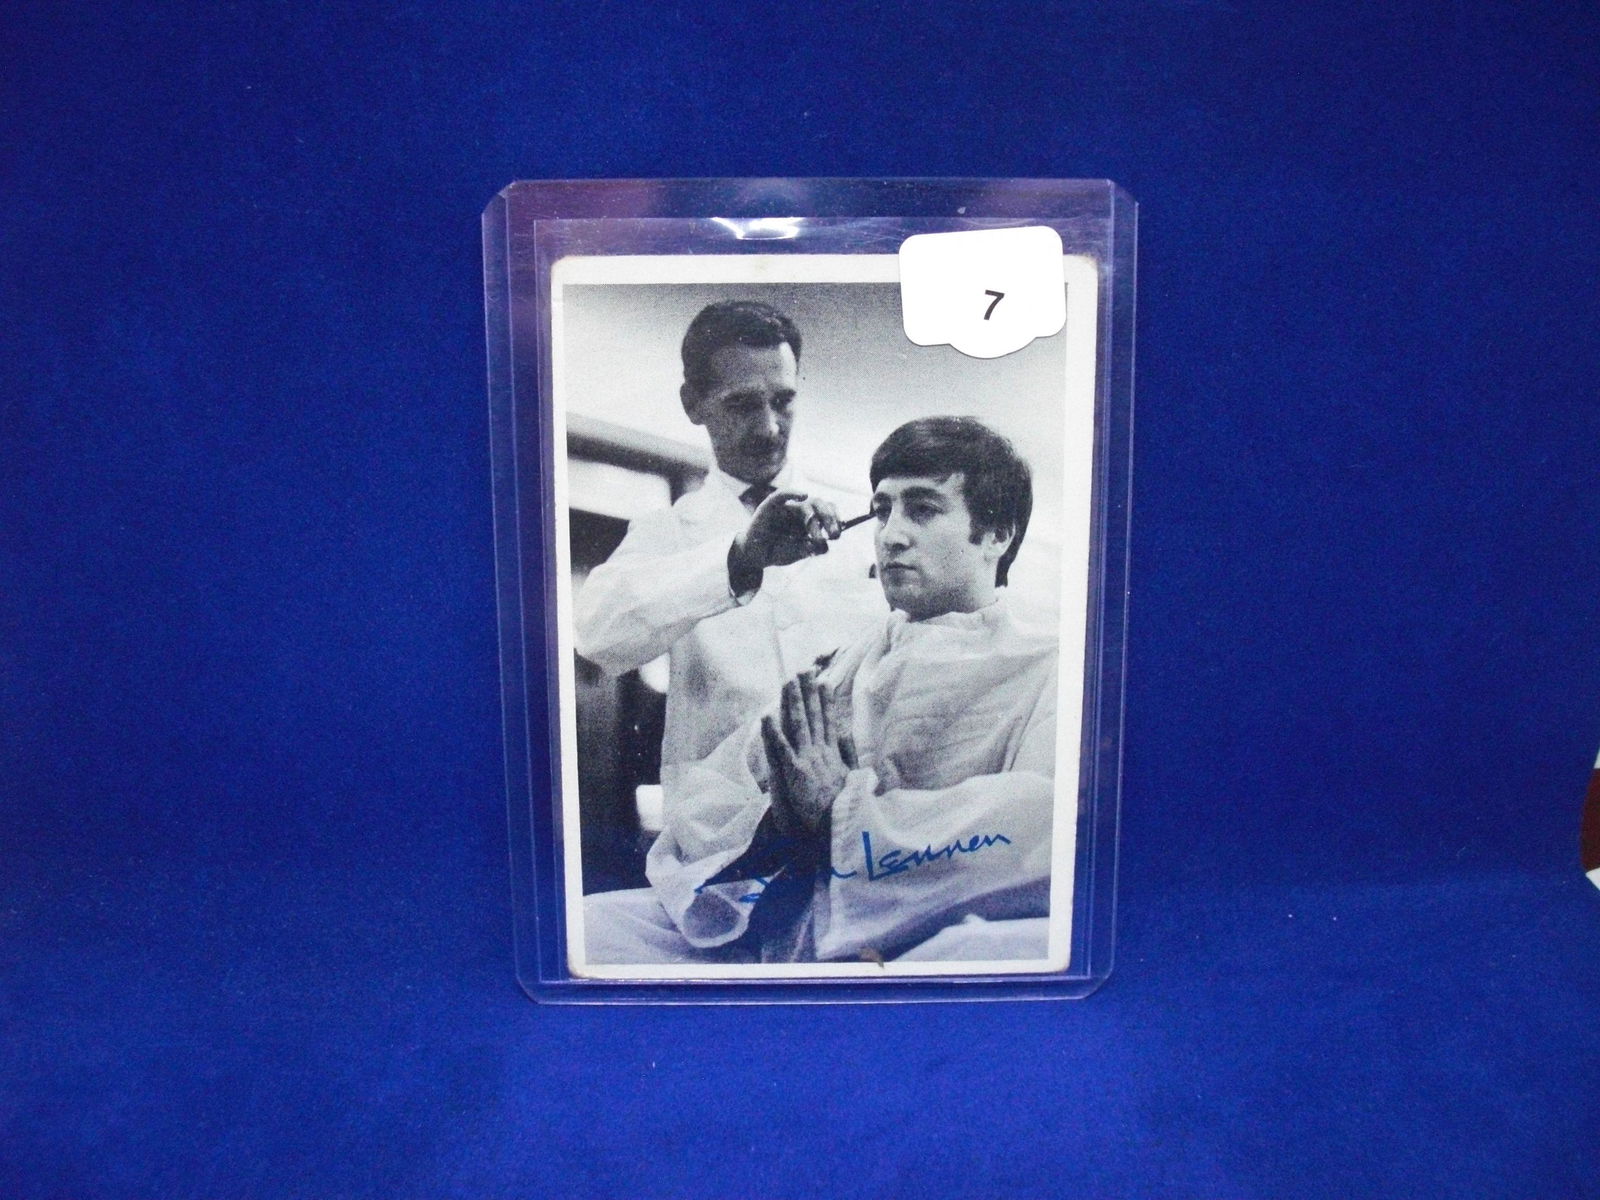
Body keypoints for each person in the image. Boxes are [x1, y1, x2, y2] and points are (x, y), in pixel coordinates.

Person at [583, 417, 1059, 966]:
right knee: (594, 929)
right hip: (792, 921)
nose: (891, 535)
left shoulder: (1048, 667)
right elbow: (713, 796)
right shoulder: (843, 666)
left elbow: (1039, 830)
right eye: (882, 510)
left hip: (924, 936)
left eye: (923, 510)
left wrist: (843, 812)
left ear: (997, 534)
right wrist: (774, 824)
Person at [573, 300, 885, 791]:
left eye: (783, 400)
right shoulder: (668, 533)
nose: (769, 427)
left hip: (851, 805)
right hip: (721, 820)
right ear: (693, 403)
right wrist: (739, 558)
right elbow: (595, 635)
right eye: (742, 404)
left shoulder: (862, 523)